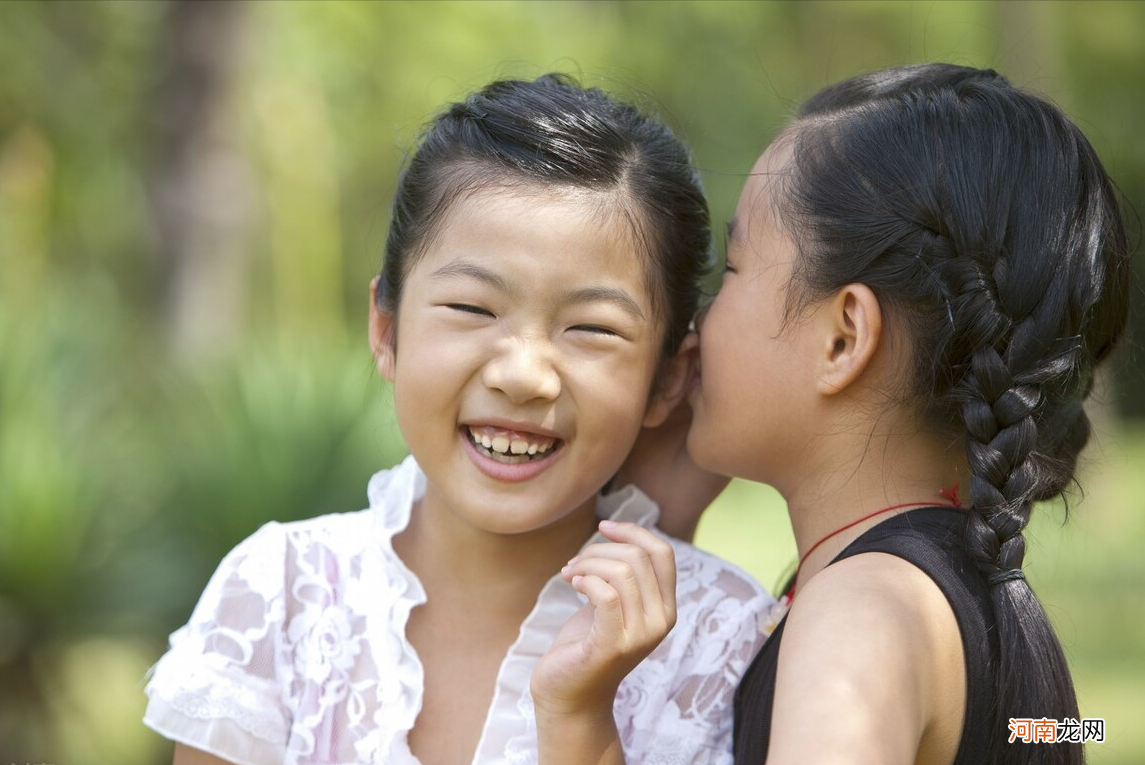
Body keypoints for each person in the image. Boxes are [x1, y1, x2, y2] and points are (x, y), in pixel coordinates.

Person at [141, 73, 772, 765]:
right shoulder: (278, 593)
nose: (522, 374)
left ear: (668, 377)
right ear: (386, 327)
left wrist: (581, 723)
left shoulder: (723, 639)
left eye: (591, 328)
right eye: (472, 309)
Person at [678, 63, 1129, 764]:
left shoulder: (860, 617)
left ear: (843, 336)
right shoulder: (983, 603)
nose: (697, 320)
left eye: (731, 269)